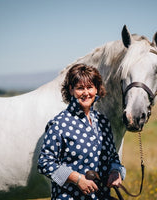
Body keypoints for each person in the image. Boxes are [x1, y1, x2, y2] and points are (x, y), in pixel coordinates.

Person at [38, 63, 126, 200]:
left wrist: (115, 171)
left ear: (96, 89)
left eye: (90, 87)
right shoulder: (59, 124)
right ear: (71, 90)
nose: (86, 93)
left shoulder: (102, 122)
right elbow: (45, 163)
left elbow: (113, 157)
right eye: (80, 88)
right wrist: (77, 179)